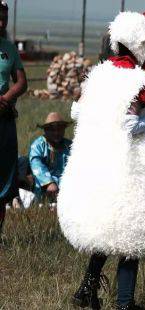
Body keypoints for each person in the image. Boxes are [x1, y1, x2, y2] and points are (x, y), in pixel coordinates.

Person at [57, 12, 145, 309]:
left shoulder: (99, 74)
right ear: (134, 44)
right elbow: (130, 128)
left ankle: (86, 291)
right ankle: (124, 304)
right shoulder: (136, 80)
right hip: (129, 167)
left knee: (108, 230)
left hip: (99, 163)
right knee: (132, 234)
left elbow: (76, 113)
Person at [0, 1, 28, 235]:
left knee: (5, 173)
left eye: (4, 18)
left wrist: (6, 98)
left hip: (4, 115)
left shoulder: (9, 49)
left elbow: (21, 82)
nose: (1, 23)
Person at [29, 112, 72, 200]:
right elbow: (36, 164)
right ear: (45, 130)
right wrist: (49, 182)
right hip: (43, 184)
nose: (56, 133)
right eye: (52, 130)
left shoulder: (70, 146)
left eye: (59, 129)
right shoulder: (38, 145)